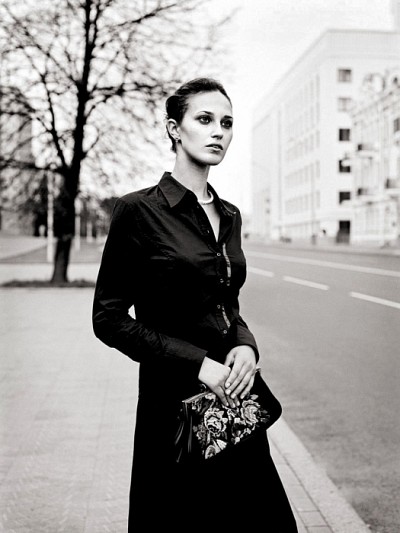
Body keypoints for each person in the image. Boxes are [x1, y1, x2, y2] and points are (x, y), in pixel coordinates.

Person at [92, 77, 298, 532]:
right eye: (204, 120)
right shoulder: (137, 211)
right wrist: (198, 364)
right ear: (175, 129)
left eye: (226, 123)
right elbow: (108, 319)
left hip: (232, 402)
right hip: (172, 405)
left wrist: (245, 344)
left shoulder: (230, 215)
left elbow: (227, 304)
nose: (218, 131)